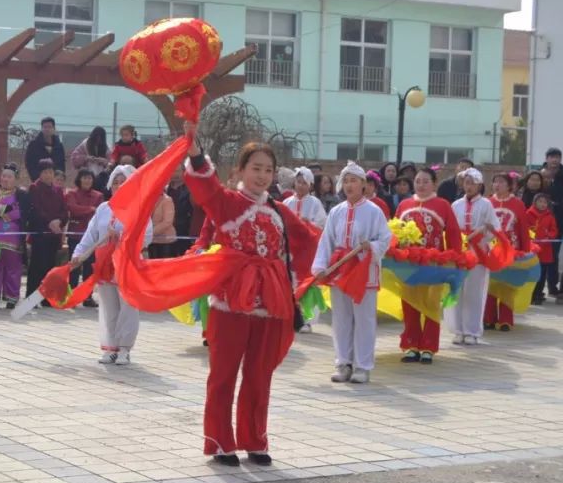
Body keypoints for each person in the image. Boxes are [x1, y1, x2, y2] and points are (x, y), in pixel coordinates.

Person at [182, 137, 318, 466]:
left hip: (270, 302)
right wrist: (196, 153)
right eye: (255, 168)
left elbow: (310, 242)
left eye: (268, 170)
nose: (262, 175)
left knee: (260, 374)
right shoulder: (227, 203)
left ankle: (255, 439)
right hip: (231, 301)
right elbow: (206, 189)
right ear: (240, 170)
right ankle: (219, 441)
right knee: (223, 374)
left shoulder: (278, 210)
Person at [313, 162, 392, 384]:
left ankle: (362, 366)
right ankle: (343, 362)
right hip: (340, 269)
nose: (349, 185)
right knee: (341, 318)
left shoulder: (374, 211)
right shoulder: (336, 212)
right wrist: (320, 267)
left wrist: (372, 246)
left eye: (354, 180)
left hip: (363, 271)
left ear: (364, 185)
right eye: (345, 181)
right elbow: (326, 241)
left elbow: (385, 239)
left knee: (364, 319)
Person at [71, 164, 152, 365]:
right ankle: (110, 347)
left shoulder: (139, 207)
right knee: (107, 306)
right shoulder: (103, 208)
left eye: (122, 182)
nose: (118, 185)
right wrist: (78, 253)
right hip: (105, 263)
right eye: (115, 182)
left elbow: (147, 235)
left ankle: (124, 348)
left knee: (128, 305)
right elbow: (91, 235)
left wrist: (123, 238)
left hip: (127, 263)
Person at [394, 168, 461, 363]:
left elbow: (453, 233)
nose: (421, 185)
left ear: (434, 183)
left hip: (434, 263)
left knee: (431, 303)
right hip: (408, 264)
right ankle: (411, 344)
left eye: (425, 181)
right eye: (417, 181)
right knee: (409, 302)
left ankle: (429, 346)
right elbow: (395, 231)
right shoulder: (405, 204)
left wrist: (454, 257)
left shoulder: (442, 205)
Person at [445, 168, 499, 346]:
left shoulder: (486, 204)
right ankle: (458, 330)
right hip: (459, 251)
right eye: (466, 182)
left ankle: (472, 331)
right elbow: (451, 229)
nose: (468, 186)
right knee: (457, 291)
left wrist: (484, 233)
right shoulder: (456, 205)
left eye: (472, 183)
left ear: (480, 185)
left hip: (478, 252)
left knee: (474, 292)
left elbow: (495, 228)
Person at [485, 173, 531, 330]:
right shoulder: (488, 202)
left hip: (512, 249)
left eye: (502, 182)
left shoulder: (518, 204)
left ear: (510, 185)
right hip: (491, 249)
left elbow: (523, 229)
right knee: (491, 283)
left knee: (507, 284)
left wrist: (525, 251)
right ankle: (488, 318)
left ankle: (505, 319)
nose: (498, 185)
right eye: (495, 181)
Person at [26, 159, 68, 302]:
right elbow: (36, 210)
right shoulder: (34, 188)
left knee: (50, 267)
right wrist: (49, 222)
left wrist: (59, 222)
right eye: (45, 172)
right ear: (40, 173)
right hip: (40, 234)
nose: (48, 175)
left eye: (50, 172)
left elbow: (64, 211)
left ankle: (47, 298)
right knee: (38, 266)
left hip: (54, 235)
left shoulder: (58, 190)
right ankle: (32, 297)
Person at [0, 164, 26, 310]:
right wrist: (8, 211)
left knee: (13, 269)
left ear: (15, 179)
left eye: (9, 176)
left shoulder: (21, 194)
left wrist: (3, 214)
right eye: (3, 176)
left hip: (13, 238)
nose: (5, 179)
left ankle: (12, 298)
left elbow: (21, 212)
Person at [65, 169, 104, 307]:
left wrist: (88, 210)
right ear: (79, 179)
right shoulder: (71, 193)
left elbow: (100, 214)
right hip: (75, 234)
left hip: (93, 237)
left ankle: (87, 296)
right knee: (74, 266)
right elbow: (73, 208)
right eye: (84, 178)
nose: (87, 181)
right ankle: (71, 295)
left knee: (90, 268)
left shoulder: (99, 196)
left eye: (90, 178)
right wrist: (90, 209)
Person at [528, 193, 559, 305]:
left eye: (545, 202)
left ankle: (538, 294)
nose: (542, 204)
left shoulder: (550, 216)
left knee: (542, 274)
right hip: (532, 250)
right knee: (532, 273)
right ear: (535, 202)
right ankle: (530, 295)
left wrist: (549, 236)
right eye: (540, 201)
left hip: (545, 251)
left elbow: (554, 230)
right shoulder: (528, 214)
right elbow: (525, 228)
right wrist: (532, 236)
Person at [545, 147, 563, 297]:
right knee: (550, 255)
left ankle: (558, 288)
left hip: (561, 219)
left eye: (557, 157)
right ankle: (550, 285)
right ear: (547, 159)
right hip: (545, 222)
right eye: (552, 157)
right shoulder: (540, 175)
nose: (555, 160)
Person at [166, 163, 194, 256]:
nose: (175, 174)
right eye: (173, 171)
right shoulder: (165, 190)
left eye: (177, 171)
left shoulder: (190, 190)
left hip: (184, 229)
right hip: (167, 231)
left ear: (183, 172)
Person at [149, 189, 176, 258]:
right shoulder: (148, 199)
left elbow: (167, 222)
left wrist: (151, 232)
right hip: (152, 241)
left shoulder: (167, 200)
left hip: (166, 242)